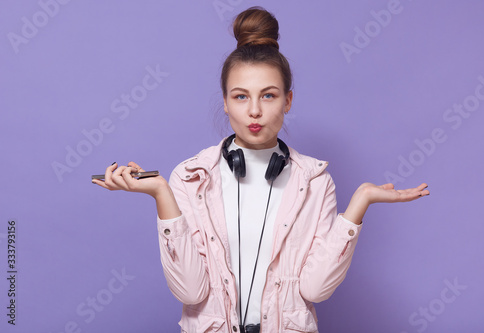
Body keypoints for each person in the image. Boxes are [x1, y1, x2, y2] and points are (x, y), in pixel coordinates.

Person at [92, 6, 430, 333]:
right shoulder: (191, 177)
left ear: (288, 101)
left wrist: (359, 205)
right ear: (224, 102)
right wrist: (161, 195)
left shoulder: (313, 181)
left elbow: (315, 290)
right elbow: (191, 292)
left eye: (268, 96)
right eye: (241, 97)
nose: (254, 110)